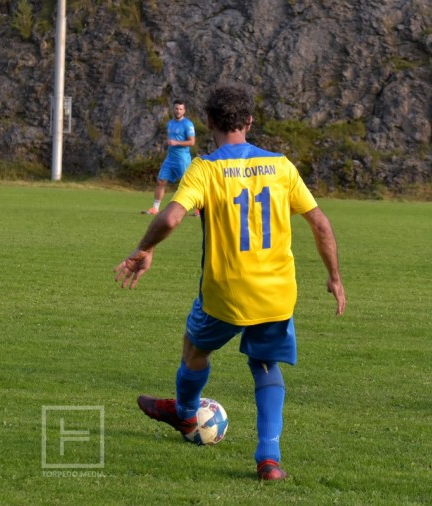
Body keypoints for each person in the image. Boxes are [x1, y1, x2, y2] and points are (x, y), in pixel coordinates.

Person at [115, 83, 346, 481]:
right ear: (250, 121)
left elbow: (171, 217)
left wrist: (144, 249)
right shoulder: (281, 166)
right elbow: (321, 224)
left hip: (224, 293)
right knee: (266, 365)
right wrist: (335, 278)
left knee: (194, 349)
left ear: (207, 122)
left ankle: (185, 414)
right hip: (276, 293)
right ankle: (269, 459)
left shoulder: (205, 169)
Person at [142, 99, 196, 216]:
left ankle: (199, 209)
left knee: (188, 184)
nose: (178, 111)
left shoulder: (187, 124)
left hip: (182, 159)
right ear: (173, 109)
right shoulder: (170, 123)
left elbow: (192, 142)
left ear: (184, 111)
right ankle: (155, 208)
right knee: (161, 181)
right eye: (176, 108)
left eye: (181, 109)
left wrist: (176, 142)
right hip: (170, 158)